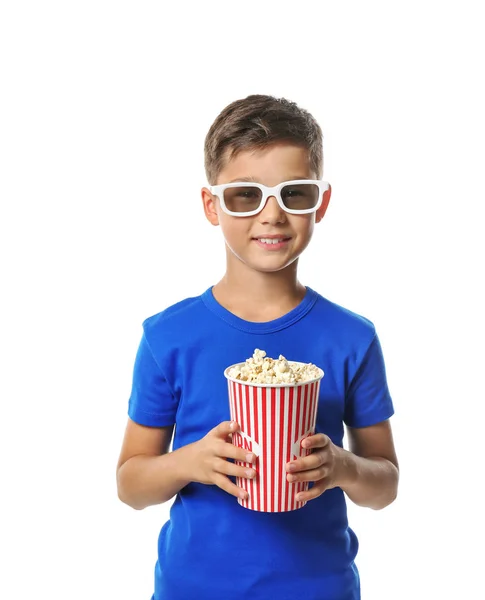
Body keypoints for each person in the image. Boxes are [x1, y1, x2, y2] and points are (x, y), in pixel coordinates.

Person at [116, 94, 399, 600]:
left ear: (321, 203)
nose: (272, 215)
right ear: (212, 206)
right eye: (245, 195)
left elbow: (385, 485)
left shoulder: (353, 338)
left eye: (294, 194)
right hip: (193, 589)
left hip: (319, 589)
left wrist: (343, 466)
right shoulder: (167, 337)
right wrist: (190, 462)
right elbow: (131, 485)